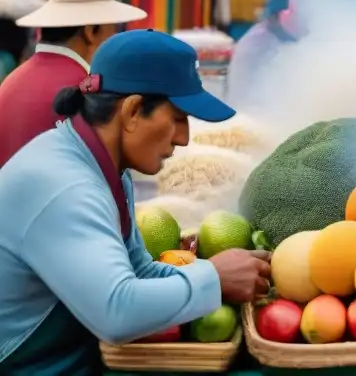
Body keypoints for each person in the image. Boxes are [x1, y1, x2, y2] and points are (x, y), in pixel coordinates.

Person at [0, 29, 271, 375]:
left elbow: (139, 272)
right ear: (131, 111)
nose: (185, 138)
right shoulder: (65, 185)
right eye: (177, 118)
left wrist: (222, 271)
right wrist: (214, 278)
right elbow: (116, 311)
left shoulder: (107, 167)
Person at [0, 0, 147, 168]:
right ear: (91, 31)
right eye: (112, 30)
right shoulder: (90, 93)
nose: (114, 40)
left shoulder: (9, 83)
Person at [227, 0, 303, 106]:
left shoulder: (273, 34)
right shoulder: (259, 40)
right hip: (251, 108)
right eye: (294, 14)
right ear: (280, 15)